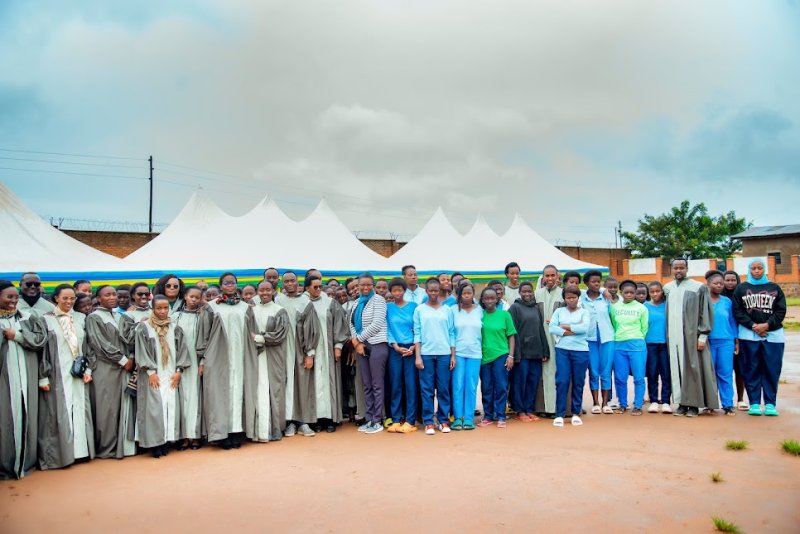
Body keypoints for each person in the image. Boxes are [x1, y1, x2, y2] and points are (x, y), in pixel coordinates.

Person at [38, 284, 94, 470]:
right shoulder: (45, 320)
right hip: (57, 372)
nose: (69, 302)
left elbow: (87, 346)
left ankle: (80, 451)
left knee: (79, 409)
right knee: (60, 411)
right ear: (56, 298)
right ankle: (63, 454)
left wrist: (88, 370)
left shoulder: (81, 318)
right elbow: (43, 351)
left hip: (78, 371)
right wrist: (43, 377)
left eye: (72, 299)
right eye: (65, 298)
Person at [205, 272, 258, 449]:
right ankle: (222, 433)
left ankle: (237, 431)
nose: (230, 285)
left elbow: (253, 332)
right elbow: (204, 334)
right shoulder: (212, 307)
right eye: (226, 283)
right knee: (221, 392)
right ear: (221, 285)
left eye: (233, 282)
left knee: (238, 391)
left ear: (236, 285)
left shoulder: (245, 307)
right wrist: (204, 358)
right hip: (219, 357)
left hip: (241, 356)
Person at [0, 280, 47, 479]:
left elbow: (39, 340)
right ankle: (6, 465)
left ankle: (26, 462)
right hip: (5, 379)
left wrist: (17, 336)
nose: (13, 300)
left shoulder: (28, 318)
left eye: (15, 297)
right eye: (8, 297)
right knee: (5, 419)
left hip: (27, 376)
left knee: (28, 416)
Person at [135, 296, 191, 458]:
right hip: (153, 374)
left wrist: (179, 371)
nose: (162, 311)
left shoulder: (175, 328)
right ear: (152, 308)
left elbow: (182, 350)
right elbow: (142, 351)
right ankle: (155, 443)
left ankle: (167, 440)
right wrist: (150, 372)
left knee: (169, 406)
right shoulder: (144, 327)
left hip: (171, 373)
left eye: (166, 308)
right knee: (154, 408)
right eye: (159, 308)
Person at [85, 285, 137, 459]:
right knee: (106, 408)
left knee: (123, 406)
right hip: (106, 368)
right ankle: (107, 448)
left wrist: (131, 357)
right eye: (107, 295)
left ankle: (123, 447)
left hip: (124, 367)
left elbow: (129, 339)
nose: (112, 297)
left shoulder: (119, 316)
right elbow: (99, 344)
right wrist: (123, 360)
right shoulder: (94, 317)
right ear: (98, 298)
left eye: (114, 294)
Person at [663, 258, 718, 417]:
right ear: (672, 269)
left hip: (691, 336)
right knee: (677, 368)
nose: (678, 270)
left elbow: (705, 312)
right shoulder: (668, 288)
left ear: (687, 268)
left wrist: (703, 336)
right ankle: (682, 403)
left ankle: (693, 405)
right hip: (673, 336)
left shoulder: (698, 287)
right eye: (675, 268)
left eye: (682, 267)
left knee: (693, 369)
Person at [732, 258, 787, 416]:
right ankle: (754, 403)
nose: (757, 271)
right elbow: (737, 311)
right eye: (754, 268)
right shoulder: (741, 289)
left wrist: (767, 325)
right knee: (751, 369)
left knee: (772, 369)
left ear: (764, 269)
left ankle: (770, 404)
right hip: (749, 336)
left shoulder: (774, 288)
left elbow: (781, 310)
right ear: (749, 270)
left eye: (760, 268)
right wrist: (753, 326)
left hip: (773, 336)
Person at [297, 275, 348, 433]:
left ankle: (331, 419)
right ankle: (316, 419)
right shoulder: (303, 303)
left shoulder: (330, 302)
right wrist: (308, 351)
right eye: (315, 287)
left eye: (320, 286)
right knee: (315, 384)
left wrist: (338, 345)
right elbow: (301, 328)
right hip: (311, 350)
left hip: (328, 350)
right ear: (307, 288)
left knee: (329, 383)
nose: (319, 289)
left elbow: (339, 324)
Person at [275, 271, 316, 437]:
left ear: (298, 282)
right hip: (282, 350)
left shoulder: (306, 302)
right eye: (286, 281)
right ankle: (288, 422)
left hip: (300, 349)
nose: (290, 284)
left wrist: (309, 353)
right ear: (282, 283)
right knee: (285, 386)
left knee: (302, 385)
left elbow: (311, 328)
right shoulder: (278, 300)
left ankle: (303, 422)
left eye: (292, 281)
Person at [248, 279, 290, 442]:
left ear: (274, 291)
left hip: (273, 356)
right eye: (261, 290)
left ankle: (274, 429)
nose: (264, 293)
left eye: (268, 290)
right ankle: (258, 430)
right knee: (258, 390)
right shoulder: (252, 310)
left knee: (274, 391)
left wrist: (259, 337)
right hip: (255, 356)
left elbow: (280, 335)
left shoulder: (279, 310)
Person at [413, 277, 456, 435]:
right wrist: (418, 356)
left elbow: (452, 333)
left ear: (440, 291)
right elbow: (417, 333)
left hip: (444, 354)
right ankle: (429, 422)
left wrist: (453, 356)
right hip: (426, 354)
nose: (433, 293)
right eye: (430, 290)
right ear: (426, 291)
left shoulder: (447, 310)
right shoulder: (420, 310)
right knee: (427, 389)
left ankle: (443, 420)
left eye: (436, 290)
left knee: (443, 389)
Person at [173, 286, 212, 450]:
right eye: (191, 297)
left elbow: (206, 340)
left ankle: (195, 435)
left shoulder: (202, 316)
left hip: (195, 362)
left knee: (195, 397)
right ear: (185, 297)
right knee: (181, 398)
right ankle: (183, 436)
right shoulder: (175, 316)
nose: (194, 300)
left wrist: (202, 361)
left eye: (198, 297)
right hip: (178, 363)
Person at [349, 273, 388, 434]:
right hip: (362, 347)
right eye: (362, 285)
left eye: (368, 285)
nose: (365, 287)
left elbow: (377, 324)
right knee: (367, 384)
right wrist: (356, 342)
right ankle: (369, 418)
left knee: (377, 384)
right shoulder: (357, 302)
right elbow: (351, 323)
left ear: (372, 285)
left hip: (377, 345)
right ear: (358, 286)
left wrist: (358, 339)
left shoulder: (379, 300)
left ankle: (377, 420)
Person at [548, 286, 590, 427]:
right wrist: (568, 332)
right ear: (564, 299)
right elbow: (552, 327)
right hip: (562, 350)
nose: (571, 300)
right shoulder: (559, 311)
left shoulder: (584, 312)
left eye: (574, 297)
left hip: (581, 351)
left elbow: (584, 328)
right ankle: (559, 414)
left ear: (578, 298)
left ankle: (576, 413)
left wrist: (565, 326)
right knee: (562, 380)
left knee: (578, 382)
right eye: (568, 298)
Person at [509, 281, 550, 422]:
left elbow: (541, 329)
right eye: (524, 291)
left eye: (529, 291)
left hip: (536, 352)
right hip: (522, 353)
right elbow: (512, 332)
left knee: (533, 382)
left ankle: (530, 409)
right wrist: (515, 353)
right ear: (519, 293)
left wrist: (545, 350)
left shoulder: (535, 307)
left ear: (533, 292)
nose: (527, 294)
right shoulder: (515, 308)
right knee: (520, 382)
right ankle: (520, 410)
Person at [478, 288, 516, 429]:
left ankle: (500, 415)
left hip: (501, 355)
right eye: (486, 298)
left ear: (497, 299)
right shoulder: (480, 315)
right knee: (486, 387)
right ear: (482, 300)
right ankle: (488, 416)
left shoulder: (505, 315)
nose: (489, 301)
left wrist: (511, 355)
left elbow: (511, 336)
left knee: (501, 386)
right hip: (484, 357)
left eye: (492, 298)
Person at [610, 280, 649, 416]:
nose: (629, 295)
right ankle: (622, 404)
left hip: (637, 345)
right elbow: (614, 324)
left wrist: (635, 337)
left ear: (635, 293)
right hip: (619, 345)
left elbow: (644, 328)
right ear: (621, 293)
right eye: (626, 292)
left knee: (639, 377)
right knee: (620, 377)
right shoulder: (615, 307)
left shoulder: (641, 308)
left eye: (632, 292)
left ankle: (638, 405)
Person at [385, 278, 418, 433]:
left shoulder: (413, 306)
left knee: (411, 385)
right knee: (396, 384)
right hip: (395, 349)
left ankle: (410, 421)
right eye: (394, 290)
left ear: (404, 291)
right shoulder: (388, 308)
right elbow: (387, 328)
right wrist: (395, 346)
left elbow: (418, 327)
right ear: (390, 292)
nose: (397, 293)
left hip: (411, 349)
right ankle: (396, 419)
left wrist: (414, 346)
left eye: (400, 290)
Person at [580, 270, 615, 415]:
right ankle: (595, 403)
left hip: (607, 338)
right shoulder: (581, 297)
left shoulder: (606, 298)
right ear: (586, 283)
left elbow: (613, 313)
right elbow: (569, 290)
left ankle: (605, 403)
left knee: (606, 370)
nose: (596, 284)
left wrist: (603, 290)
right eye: (593, 281)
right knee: (593, 371)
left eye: (598, 281)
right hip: (589, 339)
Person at [451, 282, 482, 430]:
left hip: (475, 353)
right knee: (457, 385)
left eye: (469, 293)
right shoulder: (453, 310)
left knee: (471, 385)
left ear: (473, 294)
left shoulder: (480, 310)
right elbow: (451, 333)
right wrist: (452, 354)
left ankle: (468, 418)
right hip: (458, 353)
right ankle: (458, 418)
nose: (467, 296)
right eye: (464, 293)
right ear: (459, 295)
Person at [706, 271, 738, 416]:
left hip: (726, 341)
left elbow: (732, 321)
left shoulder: (727, 301)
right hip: (708, 342)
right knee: (709, 374)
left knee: (725, 374)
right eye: (716, 283)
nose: (719, 286)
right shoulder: (703, 301)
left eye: (721, 283)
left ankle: (728, 404)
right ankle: (710, 404)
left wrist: (735, 339)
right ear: (708, 284)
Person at [535, 264, 563, 417]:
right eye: (547, 275)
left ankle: (558, 408)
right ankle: (544, 408)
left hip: (560, 340)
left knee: (559, 372)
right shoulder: (537, 294)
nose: (550, 278)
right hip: (542, 338)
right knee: (543, 373)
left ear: (557, 276)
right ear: (543, 277)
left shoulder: (563, 294)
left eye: (553, 275)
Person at [644, 281, 671, 414]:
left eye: (657, 291)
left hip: (665, 344)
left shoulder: (667, 306)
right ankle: (654, 401)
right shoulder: (645, 306)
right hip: (650, 344)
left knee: (666, 373)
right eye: (652, 292)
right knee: (652, 373)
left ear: (662, 292)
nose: (655, 294)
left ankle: (666, 402)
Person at [722, 271, 747, 410]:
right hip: (724, 337)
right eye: (727, 280)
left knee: (739, 369)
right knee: (723, 370)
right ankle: (725, 400)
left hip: (740, 336)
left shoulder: (742, 296)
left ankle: (741, 399)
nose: (730, 283)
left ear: (738, 281)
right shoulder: (719, 297)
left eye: (733, 280)